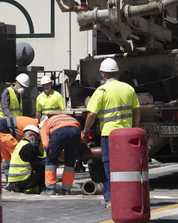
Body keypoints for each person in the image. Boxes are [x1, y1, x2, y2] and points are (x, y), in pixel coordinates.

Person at [81, 58, 141, 209]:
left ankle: (111, 197)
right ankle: (128, 195)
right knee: (126, 165)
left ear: (103, 74)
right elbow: (137, 110)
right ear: (117, 72)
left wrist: (85, 131)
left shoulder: (101, 91)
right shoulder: (128, 88)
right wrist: (134, 127)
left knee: (109, 166)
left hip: (109, 135)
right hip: (127, 134)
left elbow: (91, 115)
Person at [39, 114, 81, 195]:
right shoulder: (61, 117)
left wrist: (48, 150)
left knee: (50, 161)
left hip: (59, 132)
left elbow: (45, 141)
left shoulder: (44, 124)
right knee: (70, 162)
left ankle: (50, 189)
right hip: (75, 130)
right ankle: (67, 190)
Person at [0, 116, 40, 181]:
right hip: (2, 130)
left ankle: (9, 179)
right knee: (18, 152)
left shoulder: (31, 122)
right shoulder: (32, 127)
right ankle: (16, 178)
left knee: (6, 157)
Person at [5, 125, 45, 194]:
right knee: (42, 168)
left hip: (13, 180)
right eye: (35, 137)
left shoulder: (20, 144)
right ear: (30, 135)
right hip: (22, 180)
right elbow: (35, 165)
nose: (35, 140)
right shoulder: (28, 147)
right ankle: (42, 188)